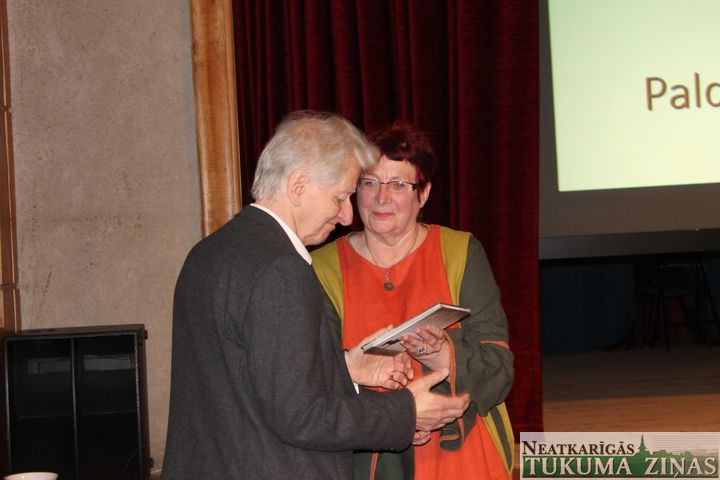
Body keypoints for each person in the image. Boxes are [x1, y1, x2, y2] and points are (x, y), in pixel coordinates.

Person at [161, 111, 471, 479]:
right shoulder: (281, 269)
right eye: (340, 196)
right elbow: (303, 417)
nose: (346, 215)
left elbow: (249, 379)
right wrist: (407, 412)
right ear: (297, 186)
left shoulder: (209, 252)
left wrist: (344, 368)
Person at [312, 123, 515, 479]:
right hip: (367, 459)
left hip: (463, 456)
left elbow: (500, 370)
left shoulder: (460, 252)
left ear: (424, 194)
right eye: (370, 183)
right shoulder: (322, 268)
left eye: (398, 185)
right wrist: (400, 419)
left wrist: (445, 356)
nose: (381, 198)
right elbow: (314, 383)